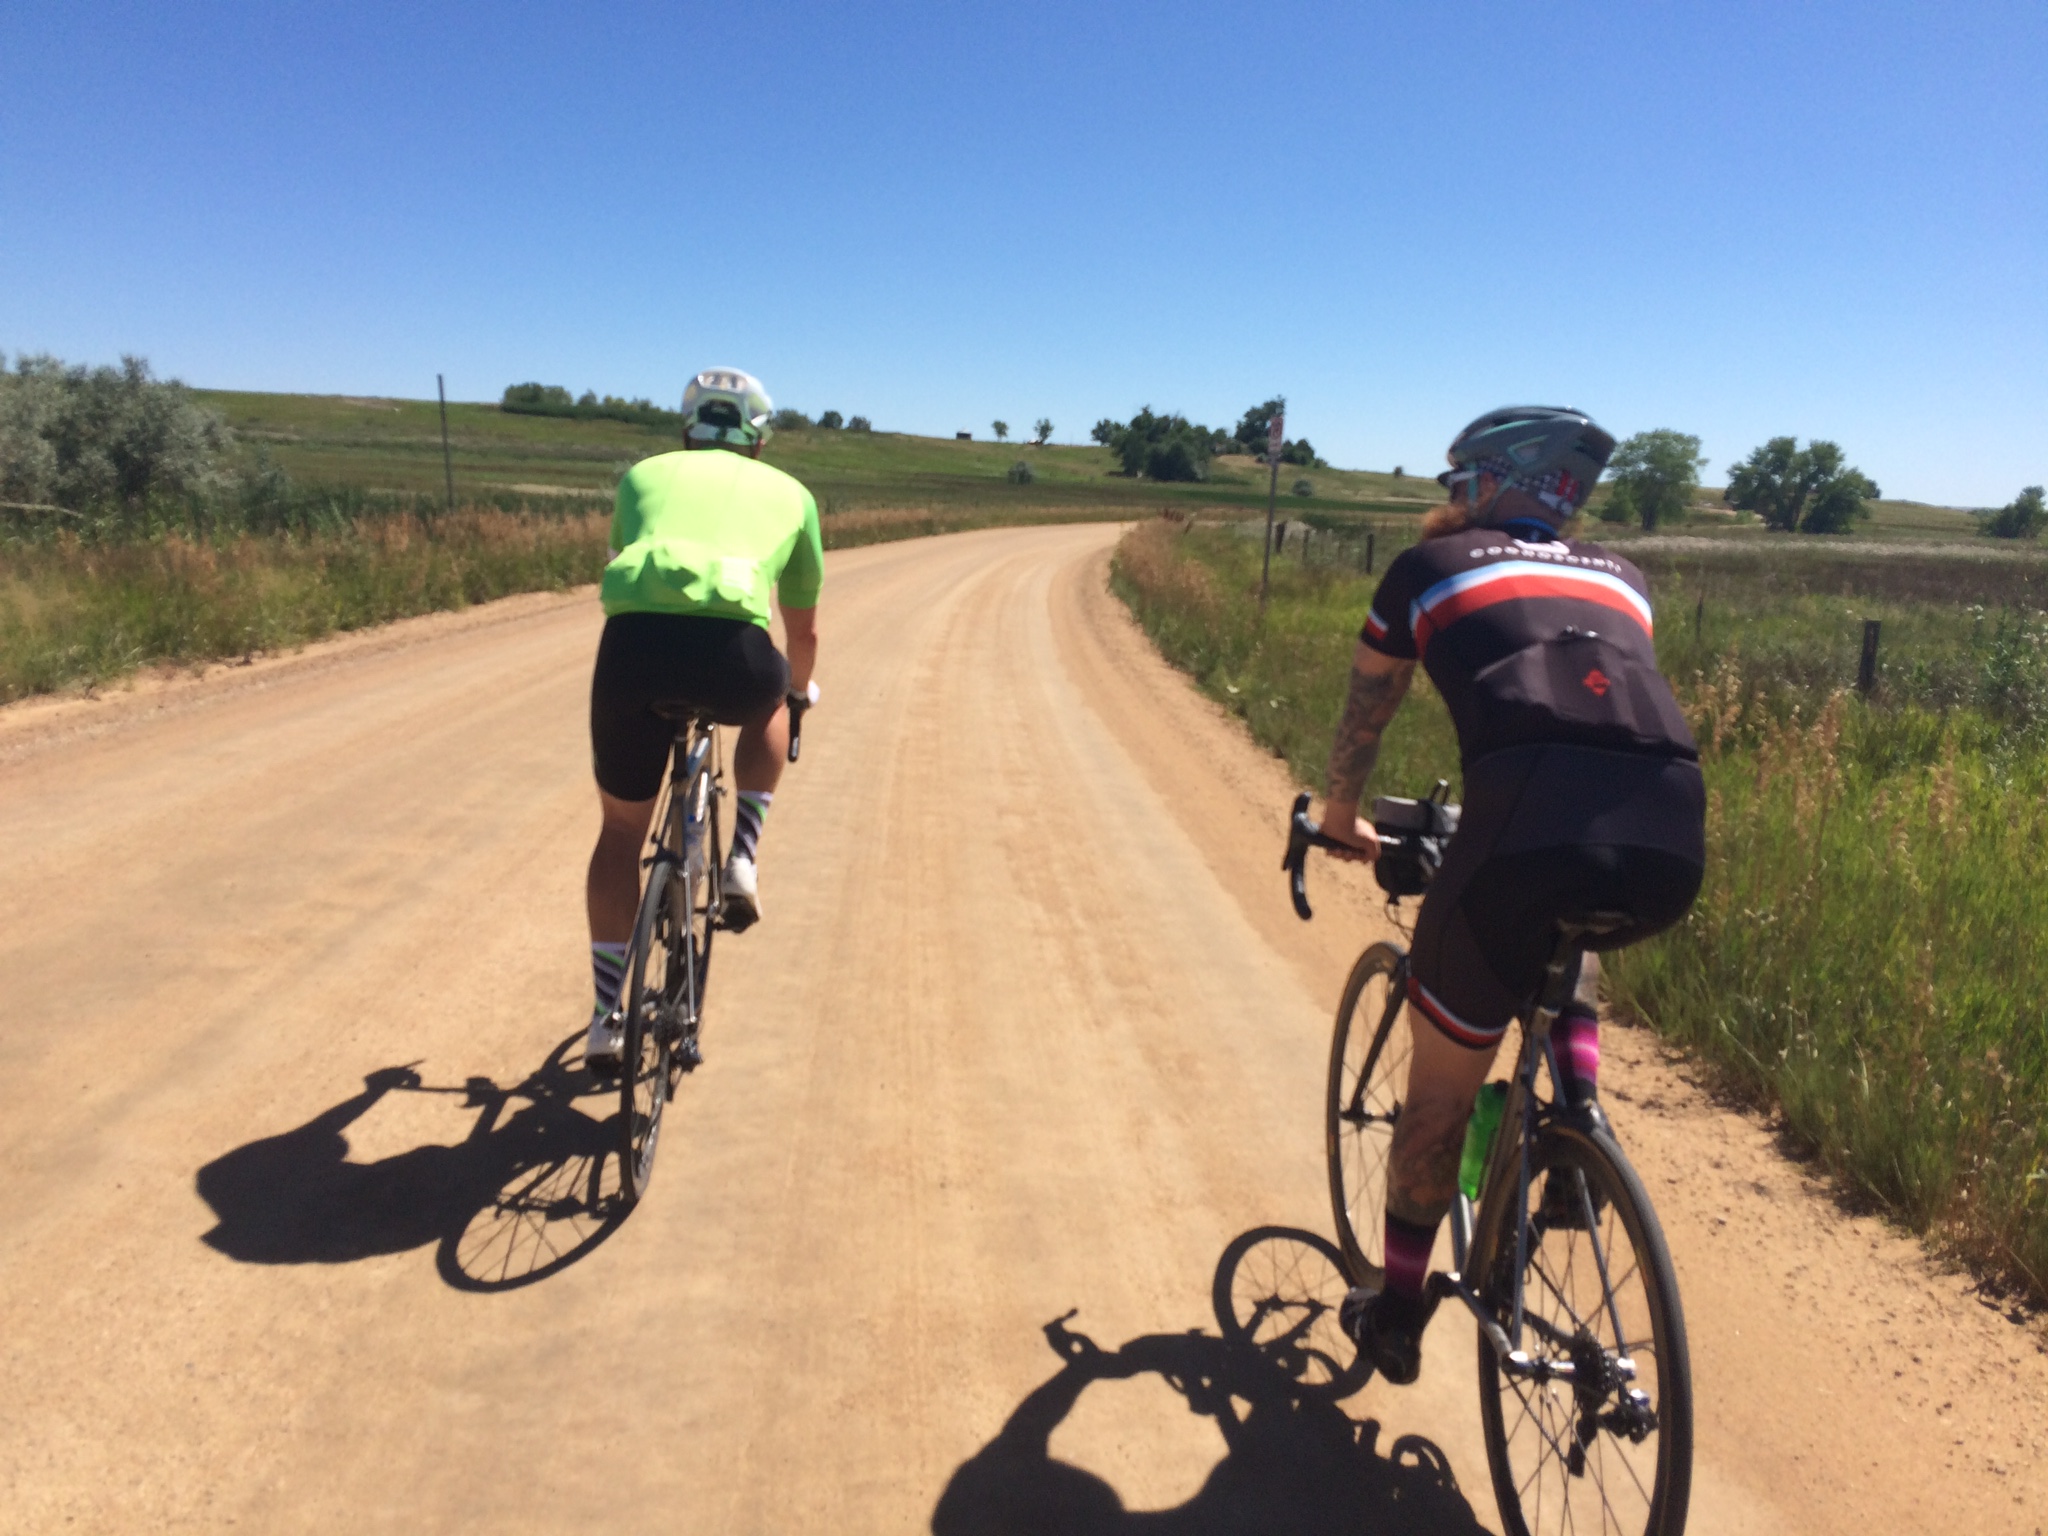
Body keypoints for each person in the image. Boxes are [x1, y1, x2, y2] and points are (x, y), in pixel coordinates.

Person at [1319, 406, 1705, 1384]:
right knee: (1566, 919)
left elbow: (1370, 707)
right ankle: (1579, 1123)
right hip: (1665, 833)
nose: (1446, 505)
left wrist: (1339, 814)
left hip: (1517, 827)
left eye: (1456, 486)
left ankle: (1398, 1313)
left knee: (1438, 1095)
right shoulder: (1624, 578)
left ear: (1490, 483)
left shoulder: (1423, 572)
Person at [582, 367, 823, 1072]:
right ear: (759, 440)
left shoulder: (641, 477)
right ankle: (743, 855)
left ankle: (605, 1016)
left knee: (621, 832)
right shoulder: (793, 495)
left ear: (686, 428)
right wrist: (799, 696)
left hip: (633, 656)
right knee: (775, 694)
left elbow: (630, 566)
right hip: (734, 660)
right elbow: (802, 636)